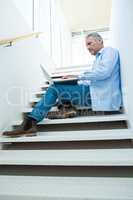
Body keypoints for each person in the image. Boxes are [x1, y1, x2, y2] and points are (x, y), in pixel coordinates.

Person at [3, 32, 122, 137]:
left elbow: (104, 72)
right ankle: (65, 108)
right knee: (62, 87)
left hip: (99, 95)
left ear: (100, 40)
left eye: (89, 43)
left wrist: (78, 76)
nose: (87, 47)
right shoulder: (98, 58)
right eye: (86, 45)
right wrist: (76, 80)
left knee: (55, 89)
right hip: (94, 93)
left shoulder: (109, 51)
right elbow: (95, 78)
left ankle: (31, 122)